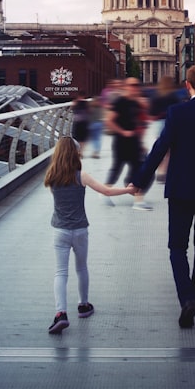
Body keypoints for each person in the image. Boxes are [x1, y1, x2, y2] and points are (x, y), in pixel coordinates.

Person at [129, 64, 195, 328]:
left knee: (177, 246)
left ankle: (186, 297)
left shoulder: (176, 113)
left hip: (180, 189)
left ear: (187, 85)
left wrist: (140, 180)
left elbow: (159, 149)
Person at [44, 136, 136, 334]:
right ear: (76, 153)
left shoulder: (51, 175)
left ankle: (60, 313)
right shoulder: (81, 176)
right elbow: (106, 191)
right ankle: (83, 305)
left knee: (61, 272)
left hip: (59, 230)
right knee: (81, 268)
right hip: (79, 230)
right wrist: (127, 190)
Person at [105, 77, 152, 211]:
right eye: (132, 85)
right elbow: (109, 121)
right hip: (121, 142)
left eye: (137, 85)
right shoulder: (120, 101)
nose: (135, 88)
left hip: (134, 142)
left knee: (141, 169)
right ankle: (106, 191)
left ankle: (137, 198)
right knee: (117, 168)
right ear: (126, 86)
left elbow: (141, 122)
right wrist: (123, 132)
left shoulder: (136, 103)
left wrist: (141, 142)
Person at [149, 76, 183, 182]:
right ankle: (163, 171)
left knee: (159, 148)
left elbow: (151, 112)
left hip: (158, 123)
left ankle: (160, 170)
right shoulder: (173, 96)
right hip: (169, 123)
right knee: (169, 150)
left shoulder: (155, 96)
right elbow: (178, 111)